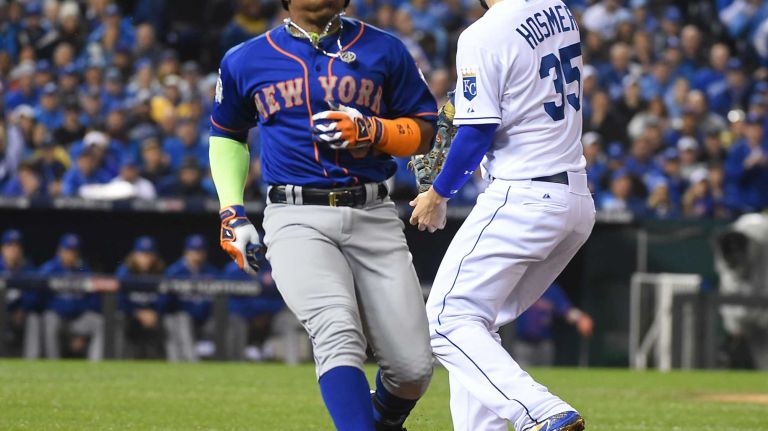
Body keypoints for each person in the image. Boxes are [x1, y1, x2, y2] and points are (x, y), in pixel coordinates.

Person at [208, 0, 437, 429]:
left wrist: (376, 130)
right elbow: (227, 135)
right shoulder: (246, 58)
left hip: (373, 211)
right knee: (337, 331)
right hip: (295, 215)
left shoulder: (385, 49)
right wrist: (231, 210)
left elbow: (427, 131)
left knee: (412, 371)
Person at [409, 1, 593, 430]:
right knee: (473, 324)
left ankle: (542, 412)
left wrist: (439, 192)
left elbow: (477, 130)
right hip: (574, 197)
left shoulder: (482, 34)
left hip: (523, 195)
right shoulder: (558, 8)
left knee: (445, 319)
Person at [38, 233, 104, 361]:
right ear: (59, 251)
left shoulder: (83, 269)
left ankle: (95, 365)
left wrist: (82, 337)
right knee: (49, 319)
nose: (70, 255)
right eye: (67, 251)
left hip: (77, 320)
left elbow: (93, 301)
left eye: (74, 251)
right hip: (58, 320)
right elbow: (39, 300)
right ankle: (53, 364)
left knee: (99, 322)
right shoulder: (49, 269)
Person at [163, 234, 218, 362]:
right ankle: (189, 361)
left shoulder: (212, 272)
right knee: (182, 319)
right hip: (179, 319)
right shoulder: (174, 272)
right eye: (194, 251)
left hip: (205, 319)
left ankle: (223, 360)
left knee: (221, 320)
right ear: (186, 252)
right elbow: (164, 303)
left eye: (200, 251)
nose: (197, 255)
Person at [513, 283, 594, 367]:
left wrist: (580, 318)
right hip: (523, 343)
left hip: (544, 344)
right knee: (522, 372)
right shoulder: (522, 286)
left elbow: (566, 310)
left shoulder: (551, 290)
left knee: (545, 373)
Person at [115, 236, 166, 359]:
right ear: (134, 255)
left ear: (154, 256)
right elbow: (118, 299)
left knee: (170, 321)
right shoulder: (124, 272)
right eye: (142, 254)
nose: (146, 259)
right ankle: (117, 359)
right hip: (130, 316)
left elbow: (166, 298)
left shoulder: (161, 273)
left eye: (149, 255)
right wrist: (137, 312)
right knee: (118, 318)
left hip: (154, 317)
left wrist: (155, 312)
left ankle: (170, 362)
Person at [0, 229, 37, 357]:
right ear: (2, 249)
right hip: (2, 313)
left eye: (17, 246)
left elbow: (34, 293)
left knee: (33, 318)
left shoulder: (28, 267)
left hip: (19, 314)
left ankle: (32, 359)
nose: (14, 249)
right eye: (10, 245)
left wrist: (23, 309)